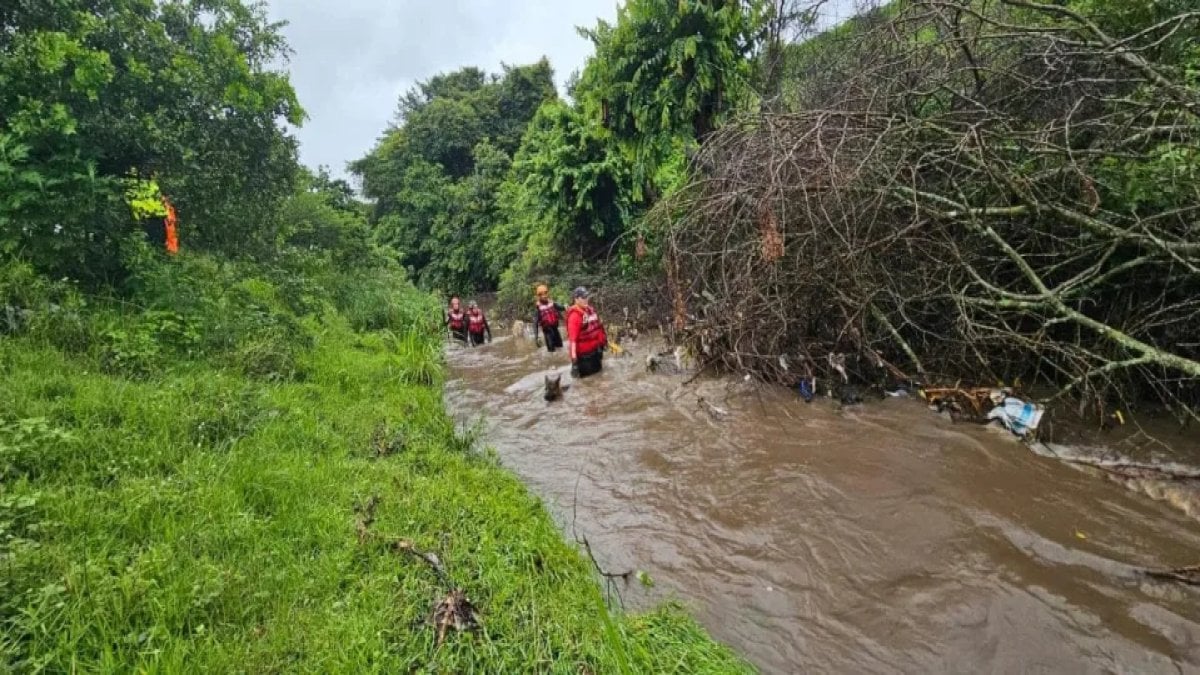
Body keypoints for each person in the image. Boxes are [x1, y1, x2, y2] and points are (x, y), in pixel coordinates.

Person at [566, 287, 607, 378]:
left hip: (595, 353)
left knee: (600, 378)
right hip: (584, 359)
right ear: (576, 299)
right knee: (588, 384)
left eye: (587, 297)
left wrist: (602, 344)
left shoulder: (590, 311)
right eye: (583, 297)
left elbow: (598, 328)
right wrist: (574, 363)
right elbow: (572, 341)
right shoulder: (574, 316)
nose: (586, 299)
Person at [532, 284, 566, 353]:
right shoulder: (538, 308)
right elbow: (535, 324)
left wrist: (566, 307)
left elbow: (561, 307)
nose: (544, 296)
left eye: (545, 293)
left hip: (555, 330)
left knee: (561, 348)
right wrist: (536, 337)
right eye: (542, 294)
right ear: (539, 296)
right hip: (547, 333)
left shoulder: (552, 303)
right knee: (552, 353)